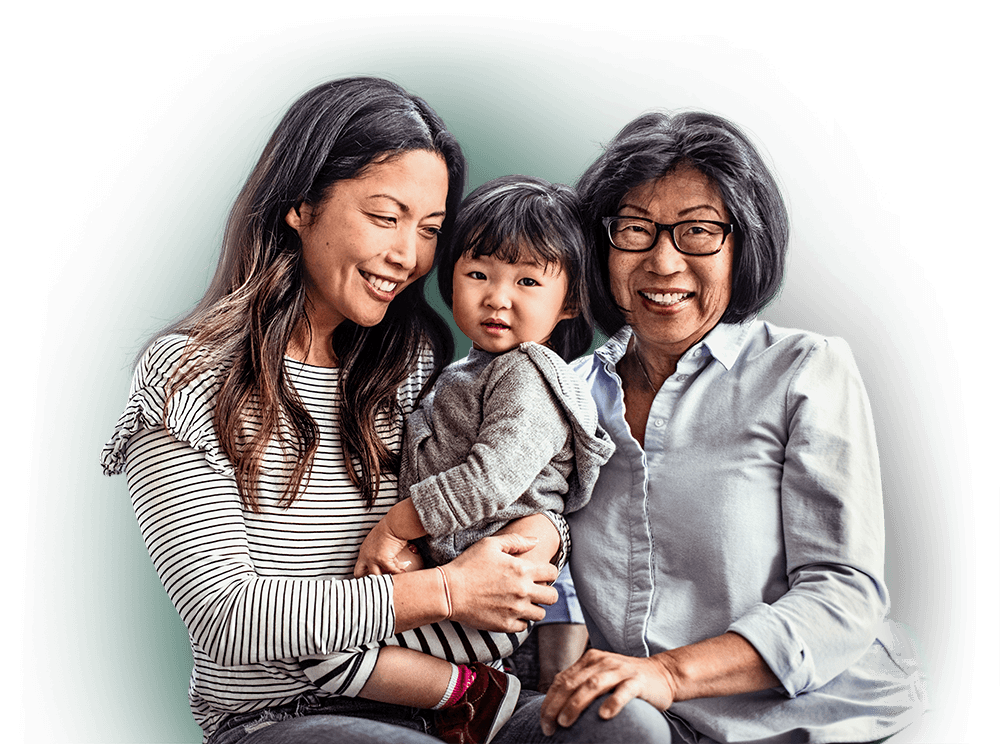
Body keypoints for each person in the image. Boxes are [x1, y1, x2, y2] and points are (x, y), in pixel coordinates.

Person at [97, 77, 571, 744]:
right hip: (278, 717)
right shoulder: (186, 375)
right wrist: (445, 594)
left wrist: (543, 536)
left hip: (444, 693)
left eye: (430, 229)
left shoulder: (411, 362)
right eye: (385, 217)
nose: (407, 256)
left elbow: (498, 484)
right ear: (300, 204)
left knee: (624, 725)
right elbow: (224, 616)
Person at [538, 111, 930, 743]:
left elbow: (842, 593)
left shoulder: (805, 369)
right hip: (650, 726)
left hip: (825, 724)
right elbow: (546, 562)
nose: (663, 263)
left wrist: (668, 672)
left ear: (742, 245)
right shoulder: (563, 394)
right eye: (634, 231)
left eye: (697, 232)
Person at [299, 175, 614, 744]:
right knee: (337, 652)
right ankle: (457, 702)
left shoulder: (530, 375)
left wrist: (397, 527)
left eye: (526, 280)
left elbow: (492, 480)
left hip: (491, 603)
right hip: (450, 587)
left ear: (569, 300)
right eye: (478, 275)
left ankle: (484, 697)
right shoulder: (460, 374)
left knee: (325, 654)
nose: (497, 297)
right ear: (450, 281)